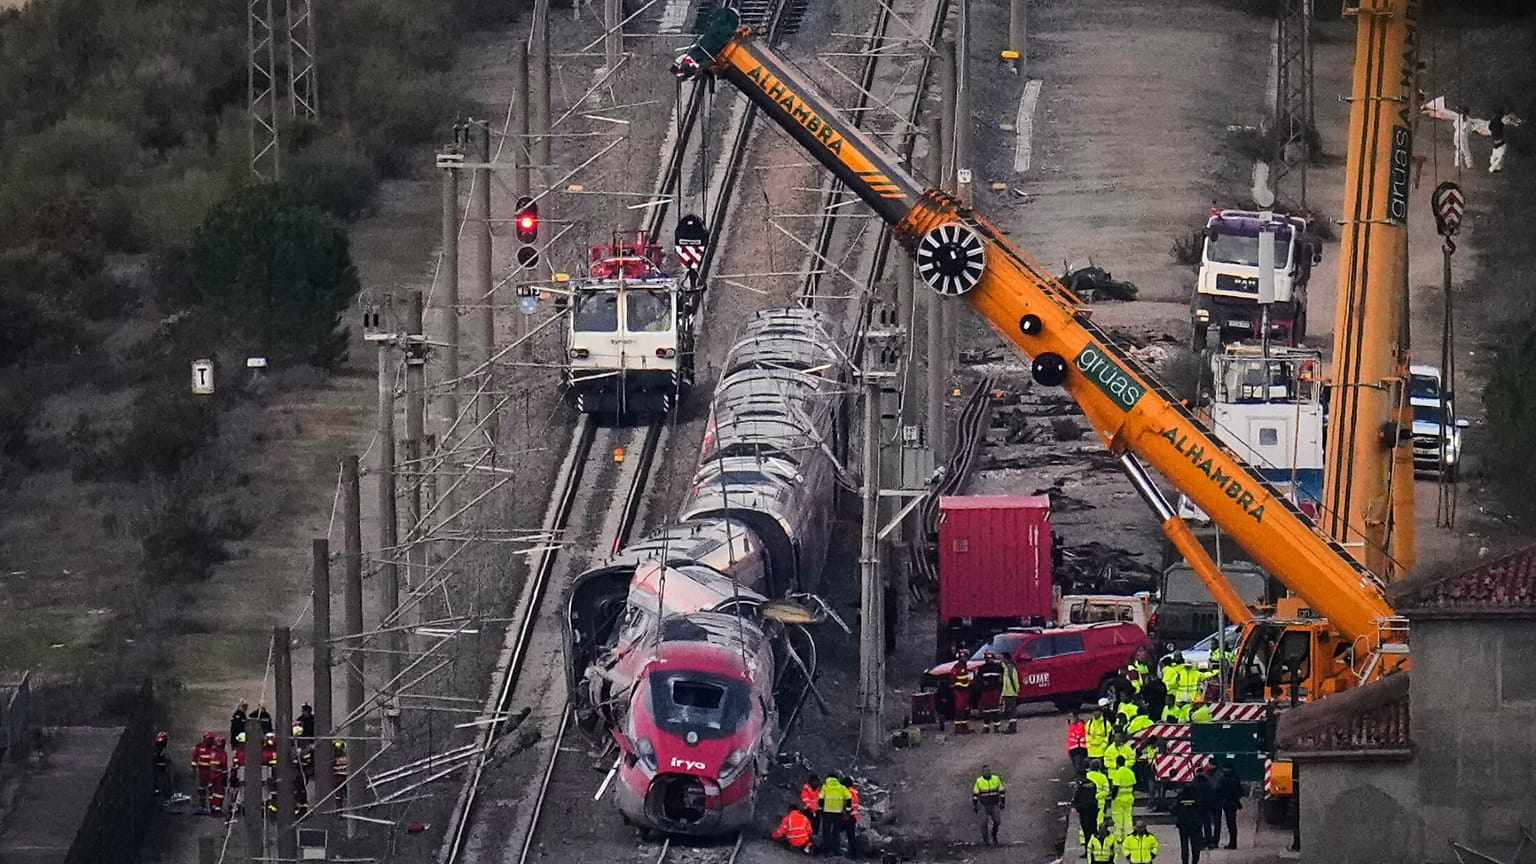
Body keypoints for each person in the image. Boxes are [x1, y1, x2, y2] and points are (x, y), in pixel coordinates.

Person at [817, 772, 852, 855]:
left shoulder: (825, 787)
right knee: (836, 833)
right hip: (838, 813)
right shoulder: (842, 788)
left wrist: (820, 810)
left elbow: (821, 799)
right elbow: (849, 798)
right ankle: (836, 851)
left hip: (827, 812)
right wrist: (847, 810)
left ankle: (826, 851)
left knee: (826, 832)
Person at [972, 763, 1006, 846]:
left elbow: (1002, 791)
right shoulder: (979, 781)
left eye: (988, 771)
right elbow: (975, 794)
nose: (987, 772)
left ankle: (994, 835)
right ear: (982, 772)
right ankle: (986, 841)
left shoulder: (996, 779)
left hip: (994, 804)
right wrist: (975, 805)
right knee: (983, 823)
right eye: (985, 771)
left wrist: (1002, 802)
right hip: (984, 805)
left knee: (997, 821)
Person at [1109, 756, 1137, 841]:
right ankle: (1128, 835)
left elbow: (1115, 787)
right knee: (1128, 817)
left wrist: (1112, 797)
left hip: (1119, 799)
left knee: (1118, 818)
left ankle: (1118, 837)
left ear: (1117, 763)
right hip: (1129, 798)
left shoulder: (1118, 773)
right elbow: (1134, 784)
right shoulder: (1130, 772)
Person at [1174, 782, 1203, 864]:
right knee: (1195, 845)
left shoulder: (1180, 798)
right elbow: (1201, 809)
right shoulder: (1196, 797)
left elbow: (1175, 810)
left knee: (1184, 845)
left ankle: (1185, 861)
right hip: (1195, 825)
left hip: (1183, 825)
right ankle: (1195, 861)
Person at [1072, 773, 1101, 854]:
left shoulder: (1081, 786)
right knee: (1094, 830)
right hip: (1093, 809)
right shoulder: (1092, 783)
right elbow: (1095, 794)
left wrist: (1075, 807)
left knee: (1087, 832)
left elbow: (1077, 798)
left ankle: (1088, 851)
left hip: (1084, 812)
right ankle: (1096, 849)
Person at [1217, 766, 1245, 849]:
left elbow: (1220, 791)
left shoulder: (1224, 780)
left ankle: (1232, 843)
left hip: (1228, 803)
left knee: (1230, 824)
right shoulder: (1236, 780)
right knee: (1232, 824)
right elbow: (1240, 792)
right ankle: (1233, 842)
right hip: (1234, 803)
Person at [976, 653, 1005, 732]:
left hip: (995, 690)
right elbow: (978, 679)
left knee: (995, 708)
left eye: (990, 658)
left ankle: (997, 726)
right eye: (987, 659)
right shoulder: (982, 668)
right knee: (986, 709)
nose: (989, 660)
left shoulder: (998, 667)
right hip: (985, 690)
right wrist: (982, 683)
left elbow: (1002, 677)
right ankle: (986, 727)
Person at [1194, 766, 1220, 849]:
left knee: (1198, 825)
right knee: (1207, 825)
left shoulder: (1194, 785)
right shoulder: (1208, 784)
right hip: (1207, 806)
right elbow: (1212, 795)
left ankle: (1200, 842)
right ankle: (1209, 842)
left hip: (1198, 807)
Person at [1085, 759, 1111, 836]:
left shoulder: (1087, 776)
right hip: (1100, 802)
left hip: (1087, 801)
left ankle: (1084, 837)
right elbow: (1106, 791)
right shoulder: (1102, 777)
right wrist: (1097, 796)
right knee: (1099, 820)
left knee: (1087, 820)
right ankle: (1099, 834)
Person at [191, 731, 215, 812]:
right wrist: (193, 770)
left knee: (212, 789)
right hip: (202, 771)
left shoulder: (215, 748)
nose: (211, 741)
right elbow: (194, 759)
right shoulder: (199, 747)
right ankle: (202, 806)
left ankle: (212, 806)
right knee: (202, 789)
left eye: (212, 739)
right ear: (205, 739)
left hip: (211, 771)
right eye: (209, 739)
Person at [951, 652, 974, 734]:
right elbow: (953, 680)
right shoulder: (957, 667)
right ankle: (958, 728)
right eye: (963, 657)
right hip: (959, 691)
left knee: (966, 709)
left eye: (966, 657)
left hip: (965, 690)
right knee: (959, 709)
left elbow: (967, 678)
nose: (965, 658)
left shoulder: (965, 666)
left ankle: (964, 726)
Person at [1085, 701, 1113, 765]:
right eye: (1094, 712)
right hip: (1091, 750)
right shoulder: (1089, 723)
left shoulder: (1106, 723)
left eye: (1097, 711)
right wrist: (1088, 745)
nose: (1095, 713)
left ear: (1101, 713)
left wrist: (1103, 746)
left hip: (1101, 750)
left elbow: (1108, 736)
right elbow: (1087, 735)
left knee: (1099, 766)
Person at [209, 737, 229, 817]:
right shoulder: (223, 754)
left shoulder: (212, 752)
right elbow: (224, 766)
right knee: (220, 792)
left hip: (211, 773)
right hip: (219, 775)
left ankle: (212, 806)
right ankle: (217, 809)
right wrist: (225, 777)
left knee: (212, 792)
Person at [1001, 652, 1021, 732]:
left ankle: (1012, 728)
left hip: (1010, 692)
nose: (1002, 660)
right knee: (1009, 711)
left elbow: (1015, 680)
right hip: (1007, 693)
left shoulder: (1010, 668)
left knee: (1012, 711)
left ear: (1006, 659)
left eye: (1003, 658)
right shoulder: (1006, 667)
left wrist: (1016, 690)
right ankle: (1011, 726)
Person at [842, 774, 862, 853]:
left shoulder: (848, 792)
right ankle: (853, 852)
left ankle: (853, 853)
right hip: (853, 817)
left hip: (848, 816)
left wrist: (845, 814)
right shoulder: (853, 792)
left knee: (836, 833)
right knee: (851, 836)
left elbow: (848, 806)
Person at [153, 731, 172, 798]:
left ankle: (167, 794)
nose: (160, 744)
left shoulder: (166, 751)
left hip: (163, 769)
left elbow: (168, 760)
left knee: (165, 781)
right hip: (157, 769)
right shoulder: (155, 749)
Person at [1490, 106, 1507, 173]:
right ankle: (1493, 168)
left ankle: (1494, 168)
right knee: (1500, 157)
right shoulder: (1501, 121)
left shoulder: (1493, 120)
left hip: (1496, 142)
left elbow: (1490, 128)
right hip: (1501, 141)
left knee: (1495, 157)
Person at [332, 741, 349, 807]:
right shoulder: (347, 758)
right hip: (346, 778)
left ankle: (339, 809)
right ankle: (348, 807)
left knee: (338, 795)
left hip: (337, 778)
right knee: (347, 794)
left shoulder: (333, 759)